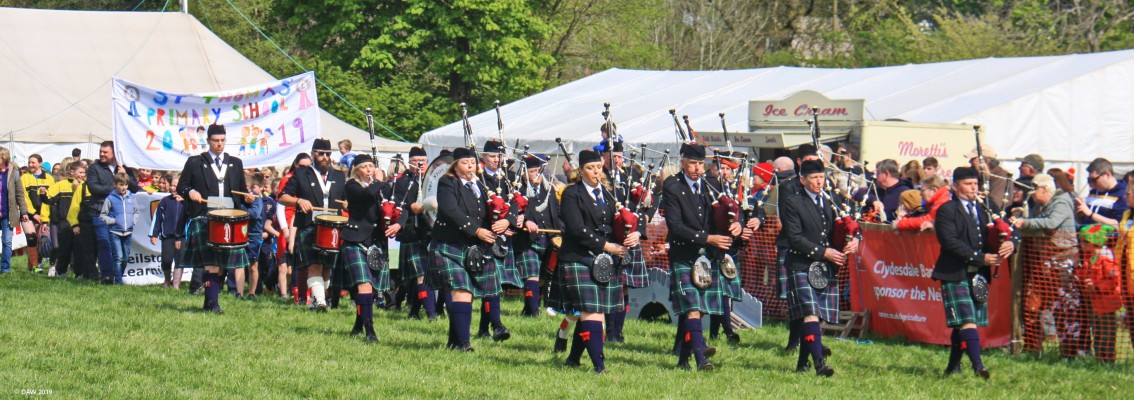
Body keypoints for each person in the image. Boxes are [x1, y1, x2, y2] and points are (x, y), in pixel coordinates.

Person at [663, 142, 749, 371]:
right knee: (692, 308)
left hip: (707, 257)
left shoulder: (711, 185)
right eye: (692, 163)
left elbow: (728, 213)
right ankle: (701, 359)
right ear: (682, 162)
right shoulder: (672, 186)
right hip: (684, 254)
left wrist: (737, 225)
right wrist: (708, 238)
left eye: (700, 164)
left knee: (698, 310)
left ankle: (683, 359)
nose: (697, 169)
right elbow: (675, 226)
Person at [555, 149, 635, 373]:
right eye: (590, 168)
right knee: (593, 313)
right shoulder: (572, 194)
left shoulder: (610, 194)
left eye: (598, 167)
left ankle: (572, 359)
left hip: (603, 261)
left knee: (591, 310)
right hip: (578, 257)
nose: (596, 172)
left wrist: (635, 233)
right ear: (580, 171)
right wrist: (608, 246)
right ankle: (600, 366)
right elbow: (576, 228)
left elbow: (629, 218)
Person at [932, 166, 1017, 379]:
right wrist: (981, 258)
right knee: (967, 321)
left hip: (978, 274)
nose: (973, 188)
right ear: (955, 186)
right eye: (968, 184)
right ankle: (979, 367)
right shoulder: (947, 210)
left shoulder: (987, 207)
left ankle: (952, 368)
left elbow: (1009, 229)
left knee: (963, 323)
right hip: (955, 272)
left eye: (975, 184)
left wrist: (1012, 243)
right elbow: (949, 242)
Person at [781, 159, 858, 377]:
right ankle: (819, 364)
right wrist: (823, 252)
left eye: (822, 177)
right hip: (801, 264)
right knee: (811, 314)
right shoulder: (793, 202)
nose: (819, 182)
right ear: (802, 180)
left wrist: (855, 240)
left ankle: (802, 363)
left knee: (816, 317)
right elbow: (794, 238)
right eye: (814, 178)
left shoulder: (832, 199)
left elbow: (852, 223)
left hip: (825, 268)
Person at [431, 146, 509, 352]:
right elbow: (450, 210)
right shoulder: (448, 182)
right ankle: (463, 343)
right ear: (455, 167)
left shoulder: (483, 185)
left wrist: (505, 222)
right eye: (465, 163)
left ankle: (453, 342)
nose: (470, 167)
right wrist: (476, 231)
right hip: (450, 243)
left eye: (472, 163)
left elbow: (504, 205)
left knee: (466, 294)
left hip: (475, 246)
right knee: (461, 291)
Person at [176, 124, 256, 314]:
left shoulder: (235, 163)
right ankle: (213, 304)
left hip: (229, 218)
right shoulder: (195, 162)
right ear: (208, 141)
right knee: (211, 262)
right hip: (205, 216)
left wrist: (247, 196)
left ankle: (208, 301)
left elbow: (241, 189)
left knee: (221, 266)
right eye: (215, 141)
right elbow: (182, 186)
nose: (219, 144)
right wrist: (191, 191)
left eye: (222, 141)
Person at [1011, 173, 1081, 357]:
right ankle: (1033, 346)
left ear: (1044, 189)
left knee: (1065, 307)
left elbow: (1050, 224)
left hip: (1064, 260)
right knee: (1036, 304)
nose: (1032, 194)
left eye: (1034, 190)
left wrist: (1024, 222)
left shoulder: (1061, 203)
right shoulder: (1043, 206)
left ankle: (1070, 352)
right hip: (1048, 261)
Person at [279, 139, 346, 311]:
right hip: (309, 225)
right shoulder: (302, 174)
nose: (325, 157)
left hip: (332, 227)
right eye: (321, 154)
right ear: (313, 154)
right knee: (315, 264)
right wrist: (299, 200)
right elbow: (283, 197)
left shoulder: (338, 176)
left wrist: (347, 203)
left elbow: (347, 199)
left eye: (328, 154)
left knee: (326, 267)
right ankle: (321, 302)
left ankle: (318, 299)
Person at [599, 139, 647, 343]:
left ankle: (618, 331)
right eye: (613, 157)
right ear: (605, 157)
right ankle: (610, 332)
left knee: (625, 286)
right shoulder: (600, 177)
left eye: (620, 156)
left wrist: (639, 232)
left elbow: (644, 209)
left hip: (631, 239)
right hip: (610, 239)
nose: (617, 160)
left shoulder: (632, 175)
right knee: (612, 286)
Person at [340, 154, 390, 343]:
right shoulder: (351, 186)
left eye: (371, 166)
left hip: (377, 240)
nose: (369, 169)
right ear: (356, 170)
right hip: (355, 239)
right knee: (364, 286)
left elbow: (396, 205)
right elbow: (366, 195)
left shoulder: (381, 187)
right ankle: (370, 330)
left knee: (371, 289)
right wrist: (378, 181)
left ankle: (358, 325)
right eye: (364, 166)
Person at [475, 140, 516, 342]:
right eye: (492, 156)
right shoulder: (476, 178)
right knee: (491, 284)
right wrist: (494, 226)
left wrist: (508, 222)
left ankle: (485, 328)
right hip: (483, 235)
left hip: (502, 236)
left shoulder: (509, 178)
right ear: (483, 157)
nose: (497, 160)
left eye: (500, 156)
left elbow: (516, 204)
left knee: (492, 284)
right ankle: (497, 325)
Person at [514, 154, 562, 318]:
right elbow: (515, 212)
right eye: (533, 171)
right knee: (532, 275)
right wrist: (526, 220)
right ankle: (532, 312)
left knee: (543, 276)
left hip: (549, 239)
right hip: (527, 240)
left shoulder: (549, 190)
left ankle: (532, 308)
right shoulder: (518, 191)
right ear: (524, 173)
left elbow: (557, 213)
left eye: (540, 171)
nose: (538, 175)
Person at [86, 141, 140, 284]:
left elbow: (135, 188)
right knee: (105, 243)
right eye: (101, 151)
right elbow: (93, 187)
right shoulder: (94, 168)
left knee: (123, 249)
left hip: (122, 215)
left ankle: (120, 276)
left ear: (114, 153)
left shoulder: (124, 167)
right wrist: (116, 189)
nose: (102, 154)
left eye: (105, 152)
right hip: (100, 212)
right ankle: (108, 275)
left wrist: (124, 176)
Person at [394, 147, 437, 320]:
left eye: (423, 161)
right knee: (419, 275)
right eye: (416, 161)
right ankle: (431, 315)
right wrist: (412, 207)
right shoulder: (403, 182)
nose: (420, 164)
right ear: (409, 162)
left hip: (431, 233)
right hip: (412, 232)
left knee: (424, 276)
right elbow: (402, 204)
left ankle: (413, 311)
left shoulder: (434, 180)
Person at [1077, 224, 1122, 363]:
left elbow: (1113, 282)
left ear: (1093, 243)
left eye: (1084, 242)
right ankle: (1099, 359)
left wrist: (1096, 286)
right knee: (1097, 332)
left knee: (1107, 334)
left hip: (1107, 304)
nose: (1082, 244)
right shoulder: (1089, 258)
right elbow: (1084, 275)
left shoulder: (1107, 260)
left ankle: (1108, 360)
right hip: (1094, 303)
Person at [99, 175, 138, 285]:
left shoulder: (132, 197)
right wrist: (113, 221)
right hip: (115, 232)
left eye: (125, 184)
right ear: (115, 185)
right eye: (121, 185)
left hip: (128, 232)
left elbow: (136, 212)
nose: (124, 187)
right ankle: (118, 281)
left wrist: (133, 221)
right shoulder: (110, 198)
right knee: (118, 258)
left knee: (125, 258)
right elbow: (103, 215)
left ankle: (121, 276)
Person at [21, 154, 56, 272]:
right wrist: (33, 213)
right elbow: (24, 197)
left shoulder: (49, 179)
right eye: (29, 162)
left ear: (40, 163)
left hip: (43, 214)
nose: (30, 165)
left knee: (40, 240)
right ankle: (36, 267)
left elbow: (49, 198)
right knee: (31, 237)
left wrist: (43, 216)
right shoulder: (25, 178)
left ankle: (31, 265)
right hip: (28, 213)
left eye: (33, 162)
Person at [46, 161, 81, 278]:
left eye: (84, 172)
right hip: (65, 222)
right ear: (72, 172)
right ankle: (61, 271)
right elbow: (49, 199)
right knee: (64, 249)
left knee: (78, 250)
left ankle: (79, 273)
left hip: (81, 222)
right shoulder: (61, 185)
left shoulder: (86, 185)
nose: (82, 174)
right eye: (80, 172)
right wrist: (42, 194)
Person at [150, 174, 185, 288]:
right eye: (172, 185)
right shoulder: (165, 201)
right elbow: (158, 218)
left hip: (181, 236)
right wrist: (154, 234)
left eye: (176, 186)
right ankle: (166, 280)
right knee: (166, 260)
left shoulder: (185, 202)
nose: (173, 188)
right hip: (167, 235)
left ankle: (176, 285)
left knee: (179, 260)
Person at [0, 148, 30, 274]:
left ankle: (5, 268)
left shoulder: (14, 172)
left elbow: (19, 194)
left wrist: (23, 212)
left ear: (4, 158)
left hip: (7, 212)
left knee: (7, 241)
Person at [242, 174, 272, 300]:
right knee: (239, 265)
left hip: (254, 235)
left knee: (253, 265)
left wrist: (241, 210)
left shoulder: (257, 199)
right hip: (241, 233)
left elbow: (254, 214)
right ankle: (238, 292)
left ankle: (252, 293)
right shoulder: (239, 199)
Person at [66, 163, 97, 280]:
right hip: (85, 224)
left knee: (97, 250)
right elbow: (74, 208)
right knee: (86, 250)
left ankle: (93, 272)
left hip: (100, 223)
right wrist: (74, 224)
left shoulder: (103, 188)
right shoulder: (82, 188)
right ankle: (88, 274)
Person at [1076, 158, 1129, 227]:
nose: (1092, 184)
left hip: (1108, 237)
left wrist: (1090, 214)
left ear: (1107, 175)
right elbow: (1084, 221)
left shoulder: (1123, 194)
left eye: (1094, 179)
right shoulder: (1093, 192)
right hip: (1087, 236)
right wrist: (1079, 213)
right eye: (1089, 180)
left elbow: (1119, 225)